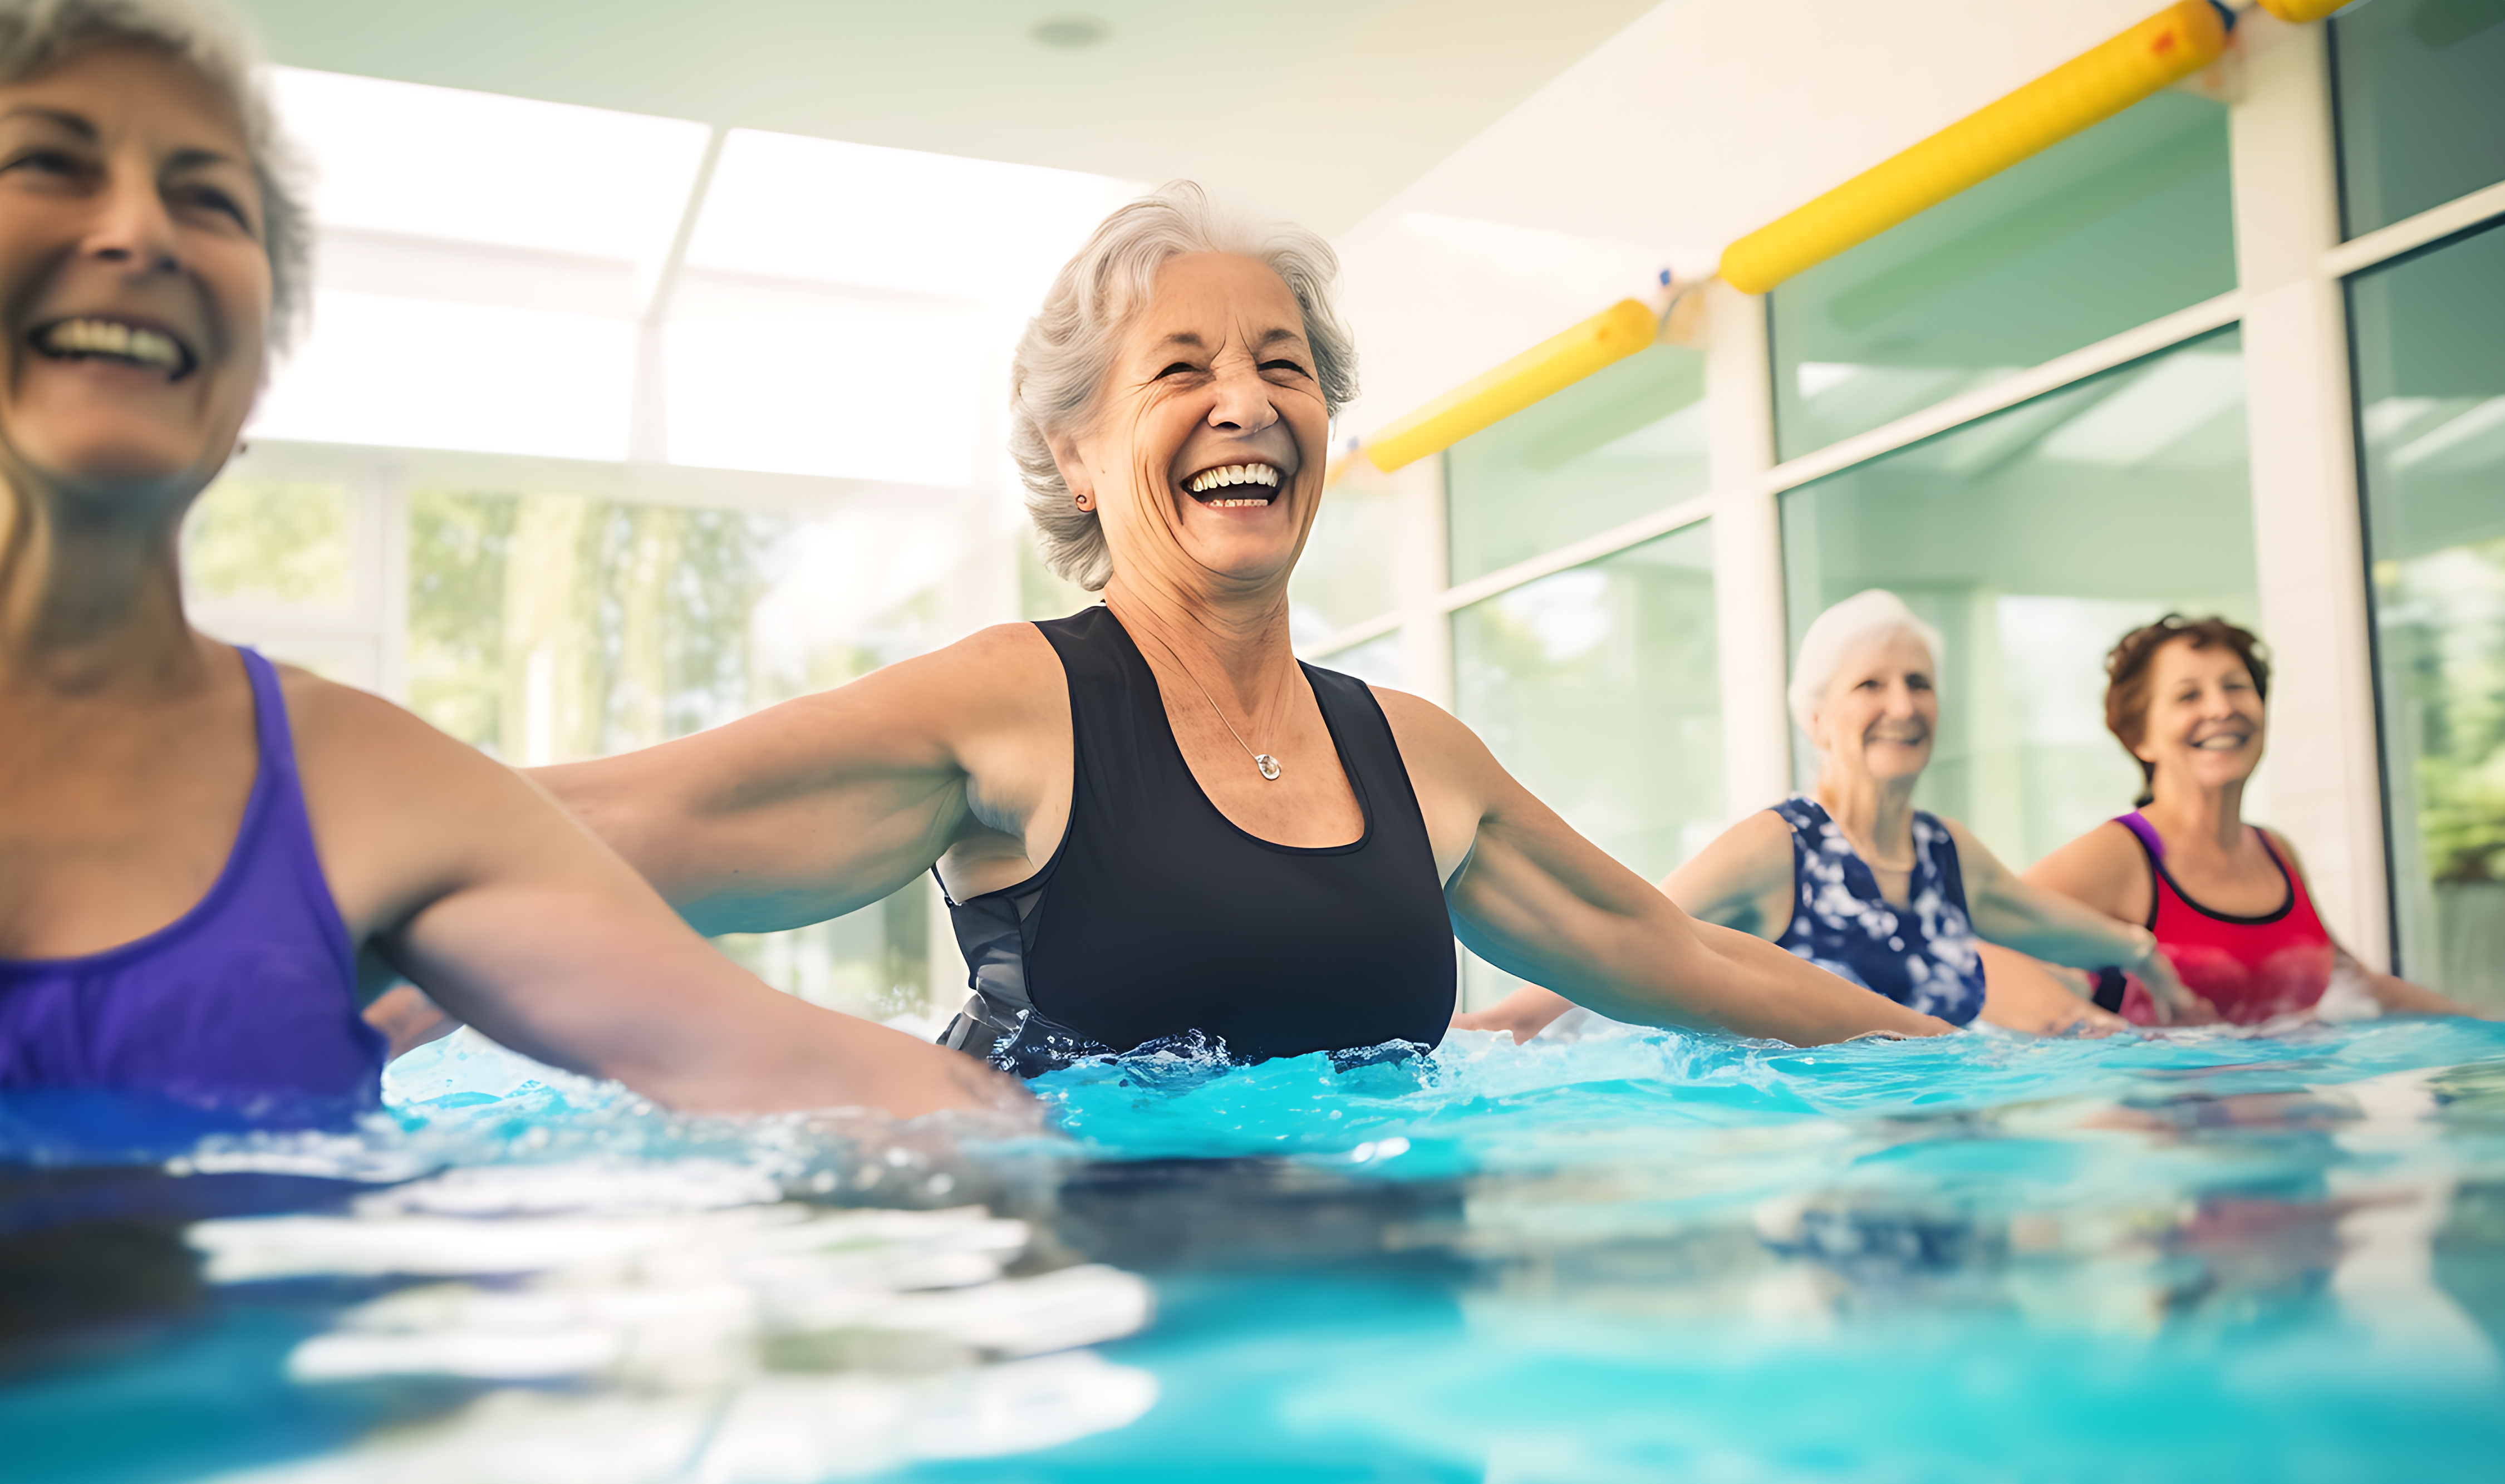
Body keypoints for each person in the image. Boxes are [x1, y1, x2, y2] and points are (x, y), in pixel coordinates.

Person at [539, 185, 1955, 1074]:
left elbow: (1689, 957)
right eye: (1180, 369)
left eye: (1282, 363)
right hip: (1111, 1361)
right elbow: (625, 825)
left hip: (1383, 1360)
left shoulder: (1414, 755)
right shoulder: (1016, 705)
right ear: (1076, 455)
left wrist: (1972, 1066)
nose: (1246, 399)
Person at [0, 0, 1013, 1119]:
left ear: (251, 376)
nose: (141, 235)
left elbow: (800, 1069)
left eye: (207, 199)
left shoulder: (360, 790)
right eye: (47, 162)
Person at [1457, 589, 2204, 1043]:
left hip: (1944, 1146)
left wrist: (2141, 956)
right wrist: (1512, 1020)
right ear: (1815, 718)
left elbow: (2035, 916)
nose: (1902, 706)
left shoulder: (1945, 854)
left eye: (1919, 683)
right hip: (1815, 1153)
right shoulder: (1779, 848)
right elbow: (1627, 933)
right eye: (1870, 686)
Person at [2023, 615, 2472, 1025]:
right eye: (2189, 695)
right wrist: (2082, 1024)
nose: (2221, 708)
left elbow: (2359, 985)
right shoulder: (2120, 854)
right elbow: (1980, 942)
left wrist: (2480, 1025)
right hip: (2165, 1111)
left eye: (2236, 687)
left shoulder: (2275, 852)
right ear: (2140, 737)